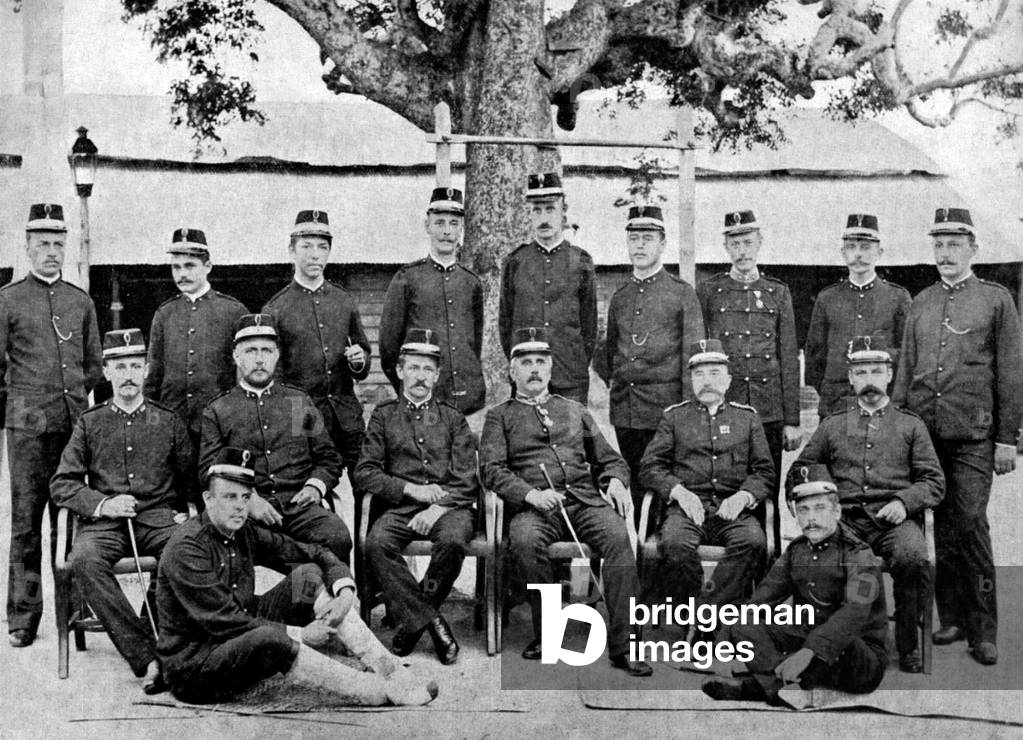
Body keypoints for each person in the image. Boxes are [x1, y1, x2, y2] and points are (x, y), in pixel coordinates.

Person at [156, 446, 438, 706]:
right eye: (230, 497)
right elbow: (223, 620)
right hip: (195, 666)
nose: (241, 506)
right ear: (208, 499)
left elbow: (311, 552)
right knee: (270, 638)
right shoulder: (187, 546)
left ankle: (387, 667)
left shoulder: (242, 530)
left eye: (245, 497)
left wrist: (344, 590)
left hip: (236, 634)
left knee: (308, 576)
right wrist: (300, 634)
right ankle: (371, 691)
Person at [892, 207, 1023, 666]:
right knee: (939, 523)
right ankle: (951, 617)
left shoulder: (995, 299)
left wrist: (1008, 439)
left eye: (954, 244)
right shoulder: (922, 301)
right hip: (926, 432)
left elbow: (1010, 373)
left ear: (973, 249)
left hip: (974, 434)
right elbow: (906, 368)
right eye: (939, 244)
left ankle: (983, 627)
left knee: (968, 523)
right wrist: (900, 428)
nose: (945, 253)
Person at [481, 327, 651, 676]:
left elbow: (610, 459)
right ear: (513, 372)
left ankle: (626, 645)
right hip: (534, 507)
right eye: (525, 363)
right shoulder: (500, 416)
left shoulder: (574, 410)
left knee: (619, 539)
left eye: (541, 362)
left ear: (551, 370)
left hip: (583, 502)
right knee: (526, 542)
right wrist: (530, 494)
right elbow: (492, 470)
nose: (534, 369)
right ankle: (548, 633)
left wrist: (617, 481)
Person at [51, 328, 195, 691]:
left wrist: (186, 515)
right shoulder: (90, 422)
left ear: (146, 371)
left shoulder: (168, 420)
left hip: (160, 518)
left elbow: (192, 480)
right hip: (106, 522)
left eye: (135, 365)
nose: (128, 373)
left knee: (183, 549)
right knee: (83, 559)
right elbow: (62, 484)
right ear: (107, 372)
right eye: (120, 366)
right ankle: (145, 656)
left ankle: (166, 639)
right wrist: (103, 504)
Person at [793, 335, 943, 672]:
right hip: (844, 520)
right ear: (850, 378)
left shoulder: (910, 425)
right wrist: (826, 499)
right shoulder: (833, 424)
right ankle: (820, 640)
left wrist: (905, 502)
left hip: (894, 520)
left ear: (889, 375)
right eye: (861, 373)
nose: (869, 380)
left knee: (913, 556)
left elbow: (934, 481)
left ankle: (907, 645)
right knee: (814, 555)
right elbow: (801, 469)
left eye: (877, 371)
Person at [0, 203, 103, 648]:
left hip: (75, 428)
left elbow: (95, 367)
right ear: (26, 246)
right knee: (27, 522)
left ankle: (79, 608)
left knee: (80, 517)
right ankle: (23, 616)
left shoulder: (80, 301)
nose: (51, 252)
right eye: (42, 243)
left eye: (58, 244)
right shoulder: (7, 300)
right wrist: (20, 412)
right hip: (28, 432)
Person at [701, 464, 888, 705]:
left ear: (837, 511)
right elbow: (760, 601)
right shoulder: (796, 550)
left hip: (858, 654)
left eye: (820, 508)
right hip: (807, 638)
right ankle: (785, 690)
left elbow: (854, 614)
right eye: (803, 510)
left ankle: (758, 687)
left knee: (842, 641)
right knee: (743, 624)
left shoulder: (859, 554)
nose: (811, 518)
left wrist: (810, 651)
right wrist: (724, 645)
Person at [355, 328, 477, 665]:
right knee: (376, 543)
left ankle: (411, 625)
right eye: (413, 368)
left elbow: (468, 480)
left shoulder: (453, 419)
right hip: (401, 507)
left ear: (437, 376)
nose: (420, 377)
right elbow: (365, 471)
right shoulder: (383, 415)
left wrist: (437, 508)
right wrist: (410, 490)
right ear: (399, 371)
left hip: (451, 507)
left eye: (427, 369)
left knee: (452, 542)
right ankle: (432, 621)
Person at [199, 313, 351, 561]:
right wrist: (249, 500)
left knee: (337, 536)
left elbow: (328, 458)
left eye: (266, 351)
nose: (259, 359)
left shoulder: (297, 402)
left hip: (300, 507)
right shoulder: (219, 410)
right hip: (246, 513)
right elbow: (208, 470)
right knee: (223, 545)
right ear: (236, 357)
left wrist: (315, 486)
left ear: (277, 355)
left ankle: (331, 598)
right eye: (250, 351)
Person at [639, 339, 772, 619]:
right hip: (686, 509)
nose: (706, 381)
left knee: (753, 542)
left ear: (728, 380)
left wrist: (743, 496)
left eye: (714, 373)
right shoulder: (675, 418)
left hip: (733, 510)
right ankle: (690, 612)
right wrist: (679, 492)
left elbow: (765, 471)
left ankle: (709, 614)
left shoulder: (747, 419)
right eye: (699, 374)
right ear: (690, 380)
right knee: (674, 544)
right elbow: (650, 466)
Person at [697, 209, 800, 553]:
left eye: (748, 242)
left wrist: (792, 420)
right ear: (725, 246)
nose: (742, 250)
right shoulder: (711, 291)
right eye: (735, 243)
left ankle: (769, 562)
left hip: (768, 408)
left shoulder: (777, 292)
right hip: (725, 406)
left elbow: (788, 356)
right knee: (726, 480)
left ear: (759, 243)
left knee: (765, 486)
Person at [262, 209, 372, 514]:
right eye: (306, 246)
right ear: (291, 251)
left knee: (369, 489)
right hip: (303, 417)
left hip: (347, 415)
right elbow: (275, 376)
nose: (315, 255)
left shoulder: (344, 300)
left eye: (322, 247)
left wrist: (359, 360)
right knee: (313, 493)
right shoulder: (277, 308)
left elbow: (362, 361)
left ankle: (368, 560)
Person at [599, 205, 704, 519]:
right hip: (627, 413)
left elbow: (694, 359)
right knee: (636, 492)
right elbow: (607, 355)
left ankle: (659, 566)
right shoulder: (620, 297)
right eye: (634, 239)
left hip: (665, 413)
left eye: (648, 238)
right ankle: (640, 564)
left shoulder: (681, 294)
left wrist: (687, 414)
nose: (640, 245)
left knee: (664, 493)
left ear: (662, 244)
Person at [379, 188, 485, 416]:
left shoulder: (471, 283)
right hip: (427, 399)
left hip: (469, 400)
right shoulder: (407, 278)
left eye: (454, 223)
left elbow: (473, 344)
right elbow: (389, 349)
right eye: (440, 223)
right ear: (427, 226)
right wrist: (410, 389)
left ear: (462, 229)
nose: (447, 232)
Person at [499, 173, 597, 404]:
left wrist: (574, 363)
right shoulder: (516, 262)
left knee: (571, 439)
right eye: (537, 210)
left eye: (550, 209)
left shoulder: (581, 262)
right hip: (526, 380)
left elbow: (589, 327)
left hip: (570, 378)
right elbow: (506, 324)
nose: (544, 218)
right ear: (529, 214)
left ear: (563, 210)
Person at [145, 228, 247, 446]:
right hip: (172, 426)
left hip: (219, 426)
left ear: (208, 266)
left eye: (190, 266)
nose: (182, 274)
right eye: (176, 267)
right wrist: (152, 427)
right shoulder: (164, 314)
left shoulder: (233, 311)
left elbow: (243, 376)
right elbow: (153, 377)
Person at [804, 214, 911, 417]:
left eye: (865, 247)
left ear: (879, 252)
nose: (858, 255)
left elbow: (907, 355)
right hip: (837, 404)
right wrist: (833, 391)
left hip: (883, 403)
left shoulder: (897, 297)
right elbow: (814, 357)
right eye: (851, 247)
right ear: (843, 253)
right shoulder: (827, 298)